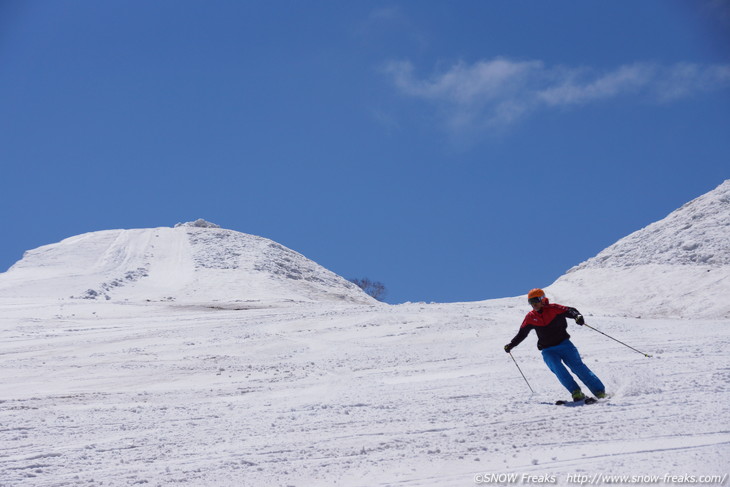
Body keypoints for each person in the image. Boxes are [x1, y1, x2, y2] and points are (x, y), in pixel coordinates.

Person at [504, 288, 607, 401]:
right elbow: (522, 333)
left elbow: (571, 310)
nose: (534, 304)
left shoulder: (554, 308)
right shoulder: (530, 317)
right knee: (557, 368)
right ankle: (576, 392)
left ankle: (599, 392)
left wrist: (578, 316)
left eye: (536, 300)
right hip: (548, 350)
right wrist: (511, 345)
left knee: (577, 368)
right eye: (531, 302)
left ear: (542, 299)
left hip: (565, 345)